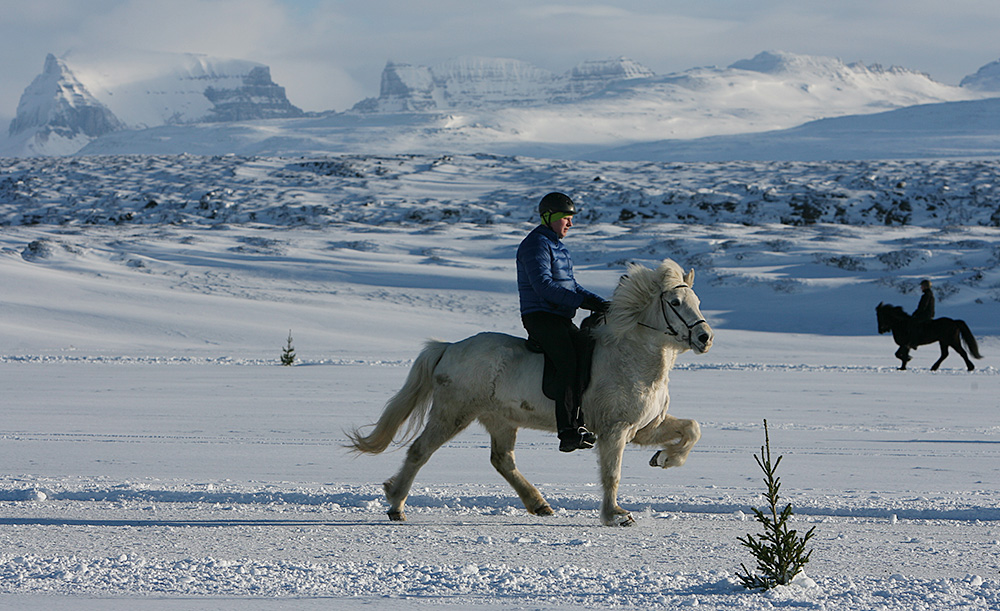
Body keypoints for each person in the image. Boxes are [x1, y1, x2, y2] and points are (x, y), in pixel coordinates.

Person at [516, 192, 609, 452]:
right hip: (541, 317)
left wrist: (599, 302)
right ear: (549, 217)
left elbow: (571, 286)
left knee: (587, 353)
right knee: (568, 361)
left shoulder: (558, 246)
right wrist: (583, 303)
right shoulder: (536, 244)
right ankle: (568, 431)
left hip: (559, 316)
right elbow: (544, 287)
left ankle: (582, 421)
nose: (570, 224)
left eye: (570, 219)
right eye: (565, 218)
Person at [907, 279, 935, 349]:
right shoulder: (930, 294)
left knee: (913, 324)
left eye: (922, 286)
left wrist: (915, 314)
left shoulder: (926, 295)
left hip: (925, 315)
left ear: (925, 286)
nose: (921, 287)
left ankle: (914, 341)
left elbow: (923, 307)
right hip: (928, 314)